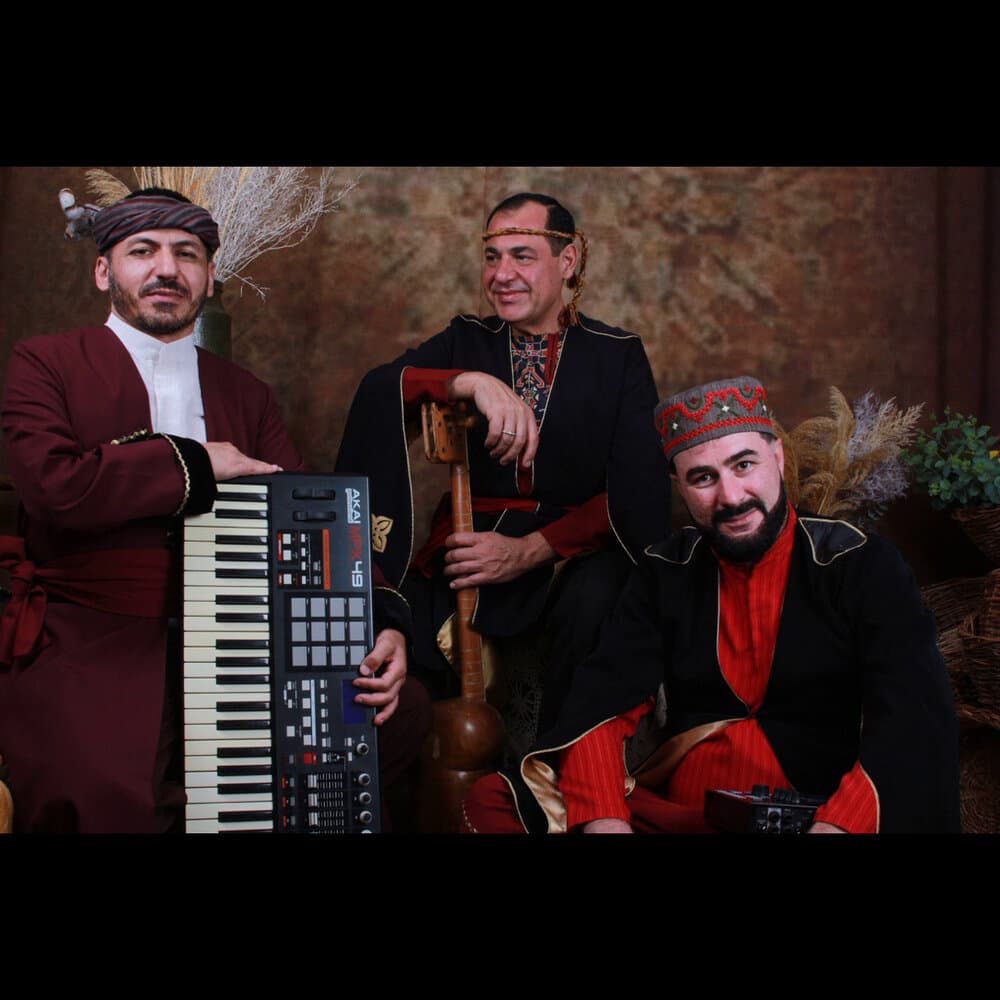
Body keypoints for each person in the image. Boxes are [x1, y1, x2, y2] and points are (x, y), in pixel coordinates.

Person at [0, 187, 422, 833]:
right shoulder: (46, 363)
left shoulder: (243, 392)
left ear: (210, 274)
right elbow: (54, 486)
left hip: (244, 632)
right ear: (103, 271)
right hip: (89, 637)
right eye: (143, 251)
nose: (166, 269)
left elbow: (311, 511)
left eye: (187, 254)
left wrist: (383, 623)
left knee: (387, 721)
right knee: (104, 790)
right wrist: (195, 462)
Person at [464, 375, 961, 833]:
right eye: (703, 478)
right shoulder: (666, 569)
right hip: (689, 816)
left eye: (744, 465)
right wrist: (605, 819)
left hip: (811, 814)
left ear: (777, 459)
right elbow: (603, 700)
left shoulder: (859, 562)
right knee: (494, 799)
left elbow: (911, 712)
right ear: (680, 486)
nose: (731, 496)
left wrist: (838, 826)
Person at [335, 192, 670, 735]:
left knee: (599, 597)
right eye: (492, 257)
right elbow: (380, 389)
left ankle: (555, 767)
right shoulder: (466, 340)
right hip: (469, 542)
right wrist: (469, 381)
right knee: (392, 631)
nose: (502, 274)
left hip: (572, 553)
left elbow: (639, 489)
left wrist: (528, 550)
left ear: (567, 260)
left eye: (522, 256)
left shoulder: (617, 354)